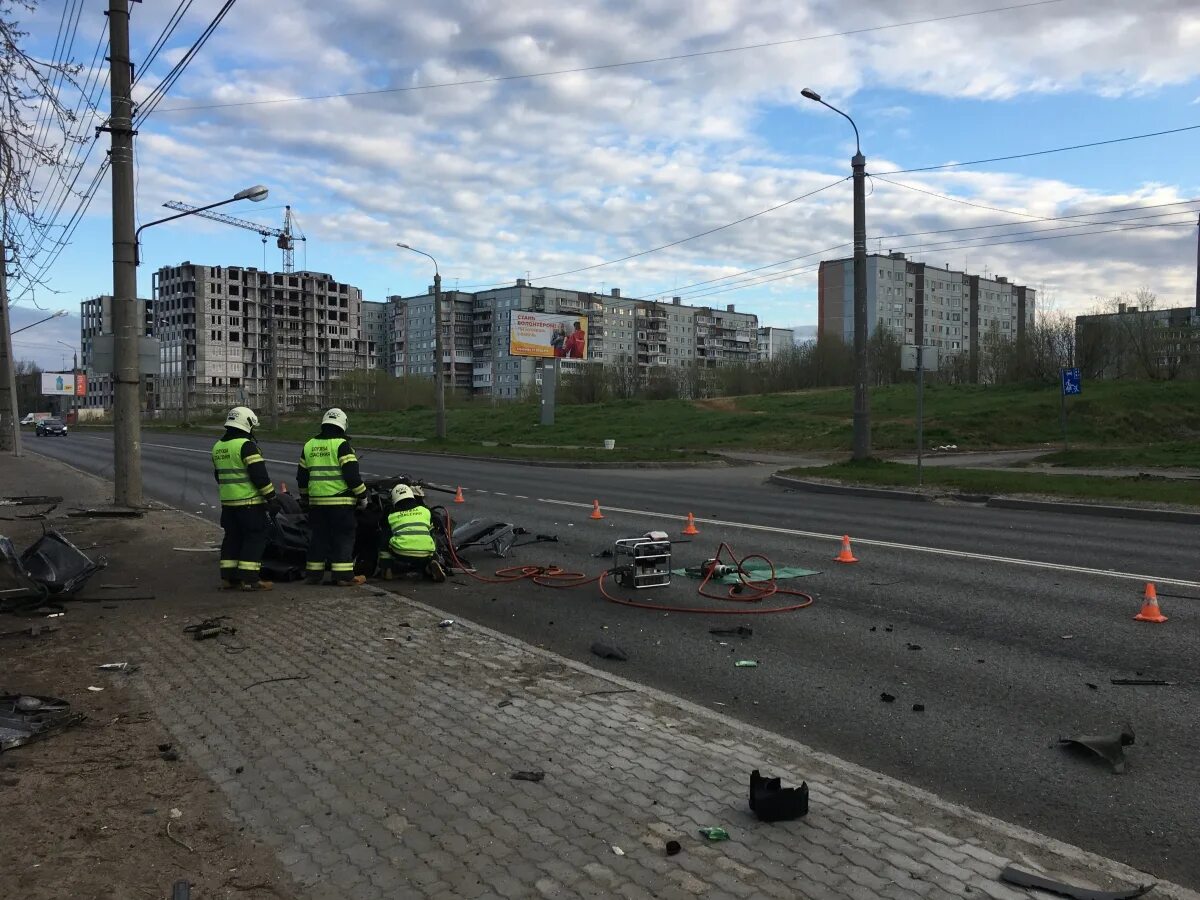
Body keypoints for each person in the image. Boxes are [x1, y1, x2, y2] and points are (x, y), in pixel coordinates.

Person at [297, 407, 368, 586]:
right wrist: (363, 496)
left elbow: (302, 477)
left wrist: (305, 499)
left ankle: (313, 575)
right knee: (343, 537)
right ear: (343, 425)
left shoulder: (309, 445)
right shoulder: (342, 445)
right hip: (341, 503)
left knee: (318, 537)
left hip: (316, 503)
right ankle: (343, 576)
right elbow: (352, 477)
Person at [211, 406, 278, 591]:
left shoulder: (218, 446)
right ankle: (250, 578)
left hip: (228, 503)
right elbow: (259, 476)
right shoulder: (246, 446)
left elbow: (218, 476)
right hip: (249, 503)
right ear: (247, 423)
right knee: (255, 538)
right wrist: (272, 497)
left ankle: (228, 578)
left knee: (232, 538)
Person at [378, 483, 446, 582]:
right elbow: (431, 534)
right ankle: (431, 563)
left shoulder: (391, 515)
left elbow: (384, 535)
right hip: (425, 552)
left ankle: (387, 569)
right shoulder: (425, 511)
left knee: (384, 536)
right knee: (430, 536)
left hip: (401, 552)